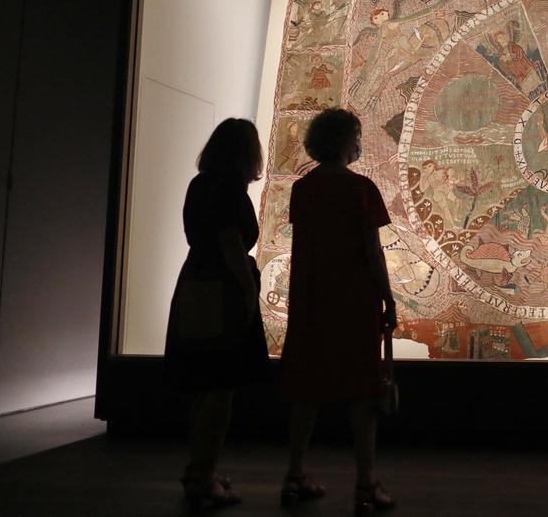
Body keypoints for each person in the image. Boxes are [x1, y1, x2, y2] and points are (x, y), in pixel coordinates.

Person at [279, 108, 398, 514]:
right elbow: (371, 251)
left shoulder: (302, 189)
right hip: (353, 300)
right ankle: (366, 484)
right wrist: (388, 298)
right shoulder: (362, 189)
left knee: (305, 391)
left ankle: (294, 473)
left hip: (311, 299)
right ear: (350, 142)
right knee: (363, 394)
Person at [164, 118, 268, 510]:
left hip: (194, 283)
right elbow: (230, 243)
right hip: (222, 290)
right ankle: (203, 477)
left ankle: (199, 469)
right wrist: (246, 292)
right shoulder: (230, 191)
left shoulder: (200, 184)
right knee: (221, 389)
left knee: (204, 385)